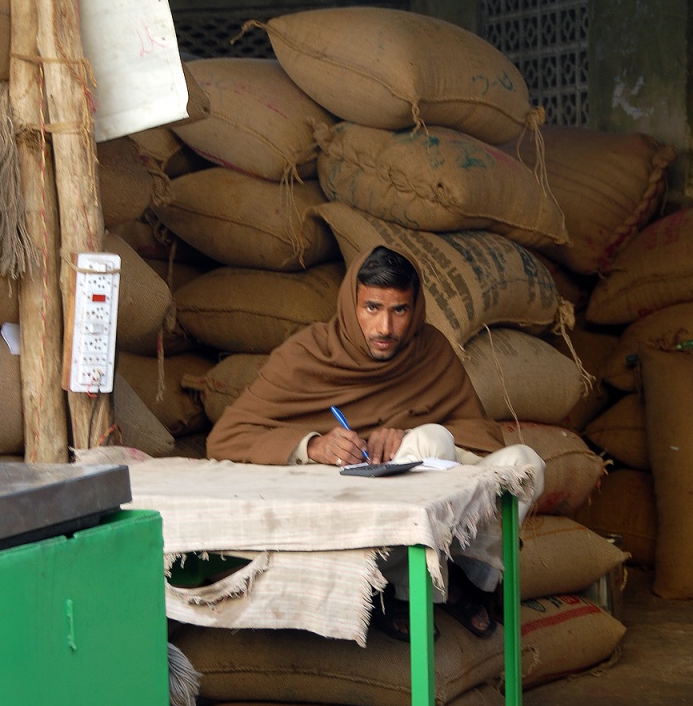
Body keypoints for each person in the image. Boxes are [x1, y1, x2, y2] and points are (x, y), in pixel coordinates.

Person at [207, 245, 545, 639]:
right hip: (352, 506)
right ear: (352, 304)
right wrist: (312, 446)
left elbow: (476, 433)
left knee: (524, 463)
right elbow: (227, 436)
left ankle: (467, 581)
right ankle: (396, 593)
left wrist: (406, 432)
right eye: (372, 308)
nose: (385, 327)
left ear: (415, 309)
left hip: (437, 487)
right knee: (432, 441)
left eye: (399, 310)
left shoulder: (430, 350)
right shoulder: (308, 353)